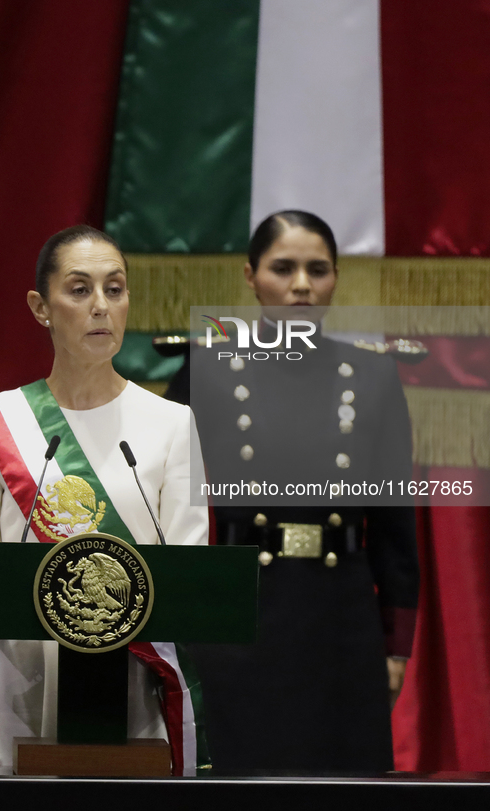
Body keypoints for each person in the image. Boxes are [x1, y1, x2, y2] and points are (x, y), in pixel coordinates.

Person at [0, 225, 208, 775]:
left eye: (115, 289)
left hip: (129, 691)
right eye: (80, 289)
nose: (100, 307)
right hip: (16, 686)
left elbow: (189, 571)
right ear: (41, 307)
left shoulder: (171, 424)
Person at [168, 211, 419, 773]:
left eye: (318, 269)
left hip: (341, 619)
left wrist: (396, 646)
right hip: (237, 615)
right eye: (283, 268)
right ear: (251, 276)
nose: (302, 284)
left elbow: (396, 527)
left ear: (335, 278)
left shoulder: (373, 377)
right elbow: (164, 504)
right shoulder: (206, 367)